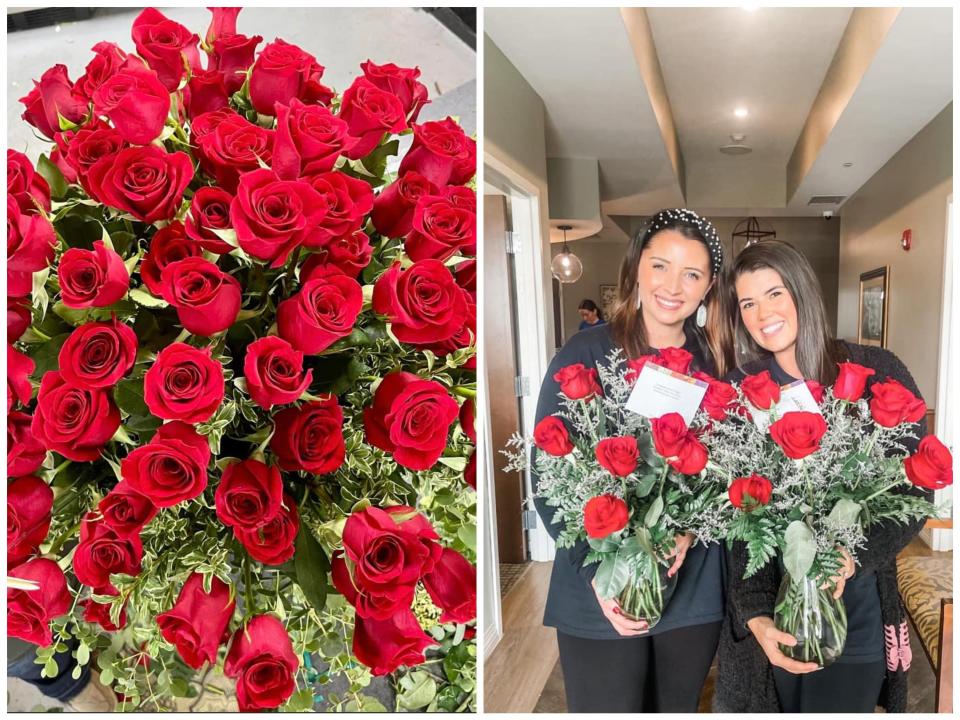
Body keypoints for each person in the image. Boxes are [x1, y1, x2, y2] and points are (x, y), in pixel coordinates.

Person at [712, 240, 930, 713]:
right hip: (775, 615)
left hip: (858, 614)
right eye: (747, 303)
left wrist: (852, 555)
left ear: (802, 291)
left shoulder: (876, 371)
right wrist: (754, 617)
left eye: (774, 293)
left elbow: (916, 488)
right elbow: (739, 516)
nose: (761, 313)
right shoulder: (741, 390)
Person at [532, 208, 730, 712]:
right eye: (660, 265)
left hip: (691, 585)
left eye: (692, 273)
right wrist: (600, 573)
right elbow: (547, 474)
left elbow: (733, 471)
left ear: (708, 286)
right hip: (597, 583)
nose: (673, 285)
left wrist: (689, 529)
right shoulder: (585, 354)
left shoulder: (719, 364)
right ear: (637, 267)